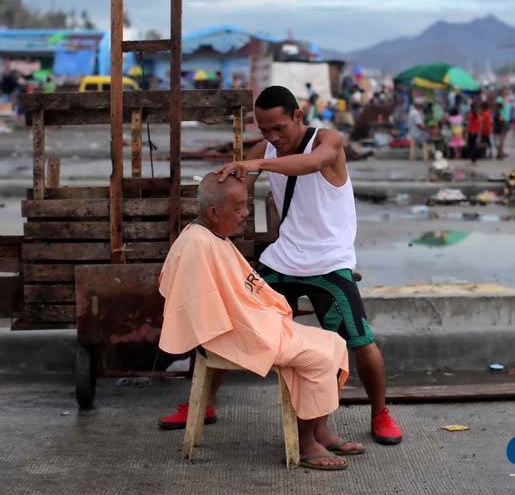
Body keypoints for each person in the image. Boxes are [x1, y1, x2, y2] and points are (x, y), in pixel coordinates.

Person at [158, 85, 403, 446]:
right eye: (264, 130)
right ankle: (204, 402)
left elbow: (310, 165)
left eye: (279, 128)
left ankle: (380, 411)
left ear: (298, 117)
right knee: (223, 317)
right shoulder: (268, 149)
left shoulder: (327, 141)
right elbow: (234, 183)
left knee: (361, 339)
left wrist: (256, 163)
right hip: (282, 260)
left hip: (329, 262)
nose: (273, 137)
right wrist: (216, 193)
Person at [158, 173, 360, 470]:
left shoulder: (213, 236)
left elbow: (237, 294)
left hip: (251, 324)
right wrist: (258, 322)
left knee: (335, 343)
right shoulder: (196, 244)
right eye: (239, 207)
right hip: (233, 335)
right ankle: (305, 446)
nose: (245, 214)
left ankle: (319, 431)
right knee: (317, 357)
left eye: (246, 205)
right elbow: (202, 312)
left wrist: (264, 314)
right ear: (214, 212)